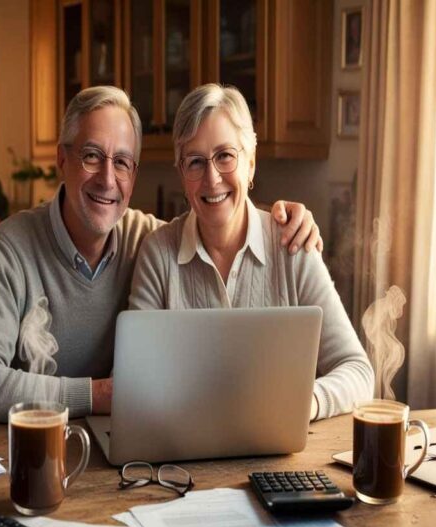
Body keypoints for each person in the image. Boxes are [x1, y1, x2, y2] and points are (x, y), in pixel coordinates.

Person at [0, 86, 323, 423]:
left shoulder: (149, 241)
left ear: (133, 173)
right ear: (61, 158)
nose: (107, 178)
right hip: (35, 453)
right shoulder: (11, 248)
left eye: (122, 162)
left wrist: (281, 220)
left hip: (117, 459)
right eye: (91, 156)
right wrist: (96, 395)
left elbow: (213, 216)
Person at [129, 84, 373, 420]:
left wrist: (306, 401)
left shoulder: (292, 245)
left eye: (225, 156)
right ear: (181, 175)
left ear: (251, 164)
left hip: (280, 455)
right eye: (195, 162)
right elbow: (136, 383)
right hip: (184, 455)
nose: (212, 178)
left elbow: (358, 371)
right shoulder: (158, 254)